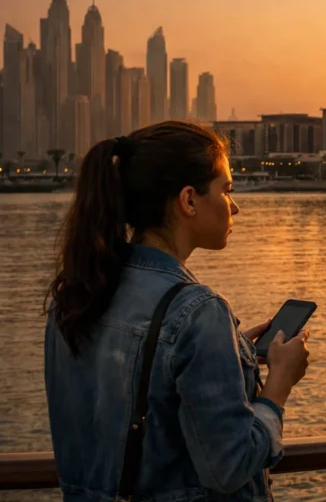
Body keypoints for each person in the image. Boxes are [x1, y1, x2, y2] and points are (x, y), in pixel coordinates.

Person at [45, 121, 310, 501]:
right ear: (188, 200)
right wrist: (279, 383)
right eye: (226, 190)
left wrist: (232, 354)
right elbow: (230, 466)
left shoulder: (72, 297)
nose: (234, 206)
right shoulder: (199, 311)